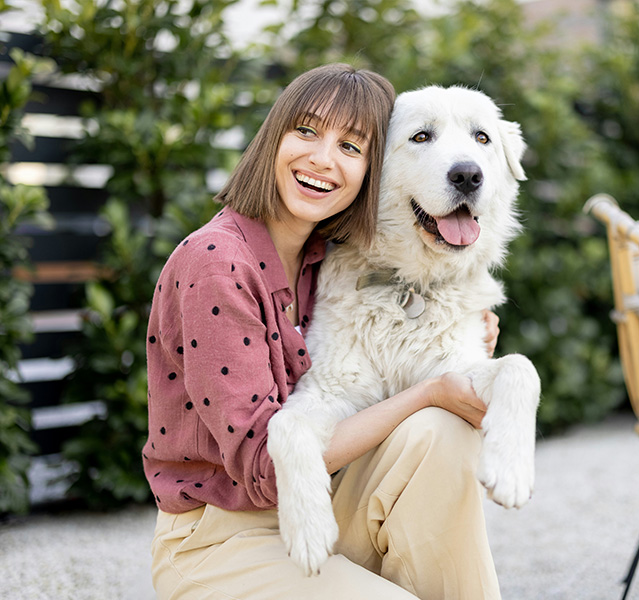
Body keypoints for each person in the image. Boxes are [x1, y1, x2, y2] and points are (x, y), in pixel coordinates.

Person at [144, 63, 502, 600]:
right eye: (306, 131)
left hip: (324, 508)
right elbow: (266, 467)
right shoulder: (216, 262)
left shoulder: (327, 258)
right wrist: (429, 393)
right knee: (431, 411)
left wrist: (459, 342)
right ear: (274, 138)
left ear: (373, 171)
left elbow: (387, 360)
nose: (323, 159)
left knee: (442, 433)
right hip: (220, 538)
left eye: (352, 147)